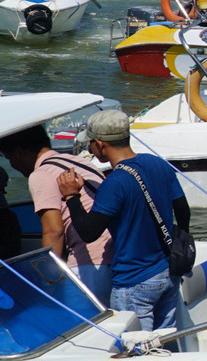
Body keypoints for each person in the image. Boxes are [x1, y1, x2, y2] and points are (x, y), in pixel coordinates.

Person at [56, 110, 189, 332]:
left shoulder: (115, 183)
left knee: (135, 350)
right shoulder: (157, 164)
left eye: (91, 145)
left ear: (99, 143)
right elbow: (183, 212)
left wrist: (71, 196)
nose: (91, 150)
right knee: (165, 341)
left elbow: (89, 232)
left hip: (134, 280)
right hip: (167, 273)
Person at [0, 124, 113, 303]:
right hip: (114, 254)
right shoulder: (78, 162)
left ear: (20, 152)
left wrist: (48, 280)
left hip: (90, 263)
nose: (12, 165)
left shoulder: (41, 174)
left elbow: (54, 231)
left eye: (9, 157)